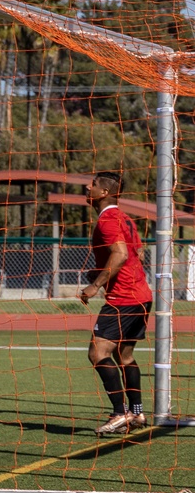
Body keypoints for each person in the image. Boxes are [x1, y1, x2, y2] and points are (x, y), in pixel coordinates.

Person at [79, 171, 152, 436]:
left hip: (124, 298)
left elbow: (120, 255)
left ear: (105, 193)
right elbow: (138, 253)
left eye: (93, 185)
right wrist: (100, 271)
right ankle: (137, 411)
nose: (88, 187)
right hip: (142, 294)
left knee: (97, 354)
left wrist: (95, 284)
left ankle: (119, 413)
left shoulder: (107, 220)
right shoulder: (125, 218)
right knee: (125, 355)